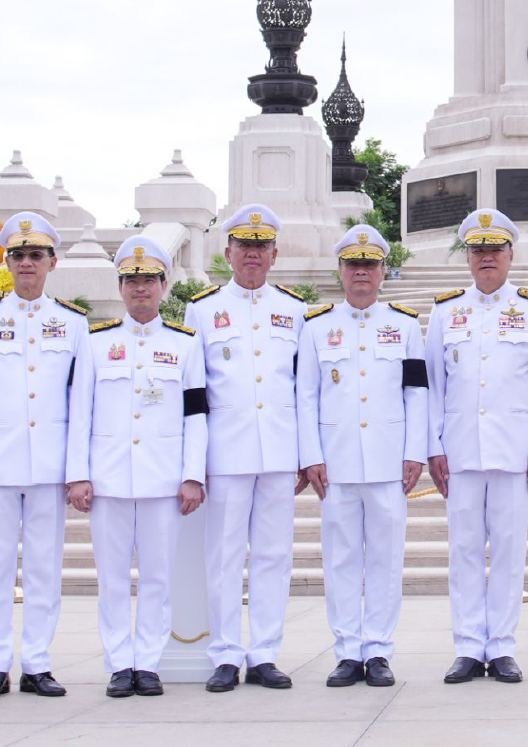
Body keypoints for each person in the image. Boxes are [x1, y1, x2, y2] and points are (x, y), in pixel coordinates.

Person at [0, 211, 89, 699]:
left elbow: (81, 404)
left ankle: (36, 662)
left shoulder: (72, 323)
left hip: (50, 467)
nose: (27, 262)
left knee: (43, 568)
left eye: (36, 254)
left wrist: (78, 471)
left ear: (52, 262)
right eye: (19, 254)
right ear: (6, 262)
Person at [66, 236, 207, 698]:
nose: (140, 289)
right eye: (131, 281)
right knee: (111, 579)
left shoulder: (185, 346)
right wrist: (78, 474)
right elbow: (79, 413)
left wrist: (192, 475)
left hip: (163, 479)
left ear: (165, 285)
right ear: (121, 287)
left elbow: (196, 415)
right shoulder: (95, 343)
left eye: (148, 280)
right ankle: (117, 663)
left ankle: (147, 662)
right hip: (107, 479)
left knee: (157, 577)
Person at [424, 208, 528, 684]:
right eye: (477, 250)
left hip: (514, 450)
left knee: (508, 550)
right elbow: (434, 386)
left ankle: (500, 646)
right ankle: (466, 646)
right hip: (459, 451)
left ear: (510, 255)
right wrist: (433, 447)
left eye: (494, 250)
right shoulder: (444, 311)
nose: (486, 258)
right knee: (462, 550)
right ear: (467, 257)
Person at [183, 203, 310, 693]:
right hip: (227, 453)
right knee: (224, 556)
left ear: (274, 253)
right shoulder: (203, 309)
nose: (252, 254)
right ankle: (225, 653)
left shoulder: (296, 310)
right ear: (229, 252)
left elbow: (302, 388)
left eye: (261, 246)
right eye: (244, 246)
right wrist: (196, 463)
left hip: (279, 451)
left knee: (274, 556)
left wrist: (304, 454)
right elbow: (195, 394)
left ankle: (264, 653)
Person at [297, 225, 429, 688]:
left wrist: (416, 451)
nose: (361, 274)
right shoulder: (315, 326)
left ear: (382, 271)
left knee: (386, 558)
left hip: (389, 460)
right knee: (340, 558)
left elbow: (417, 393)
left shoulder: (405, 324)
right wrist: (310, 455)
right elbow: (305, 396)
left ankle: (378, 649)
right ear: (341, 270)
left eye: (369, 265)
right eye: (353, 265)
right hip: (335, 462)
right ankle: (347, 650)